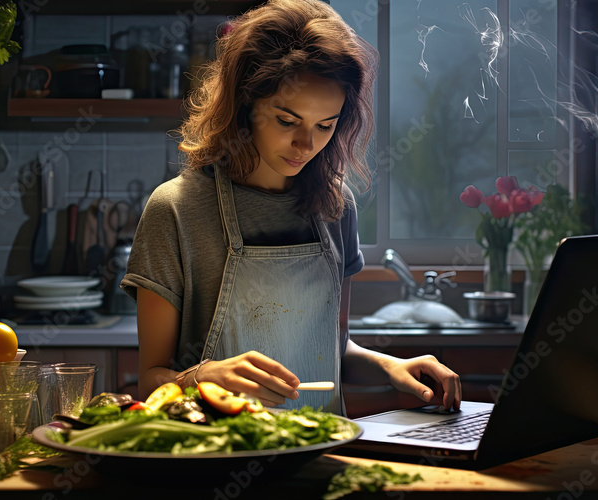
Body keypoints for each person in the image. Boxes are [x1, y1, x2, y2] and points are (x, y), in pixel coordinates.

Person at [120, 0, 460, 415]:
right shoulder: (175, 209)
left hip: (320, 452)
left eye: (325, 126)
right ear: (245, 104)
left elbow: (332, 351)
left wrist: (392, 365)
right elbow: (152, 377)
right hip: (211, 459)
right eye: (286, 120)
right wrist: (203, 376)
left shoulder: (336, 206)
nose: (306, 144)